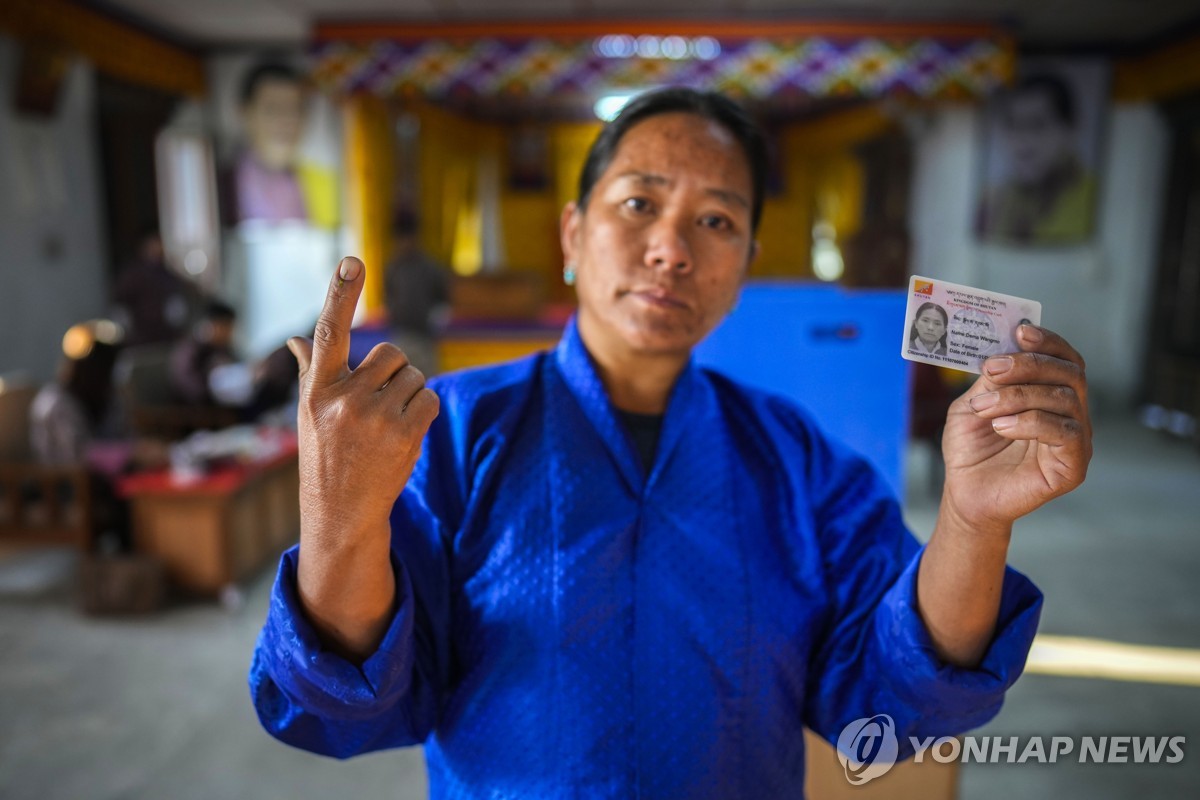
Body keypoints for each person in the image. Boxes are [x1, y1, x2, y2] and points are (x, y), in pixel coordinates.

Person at [249, 89, 1092, 797]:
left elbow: (892, 696)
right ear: (573, 235)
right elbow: (346, 704)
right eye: (639, 203)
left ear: (746, 262)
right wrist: (337, 520)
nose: (671, 250)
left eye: (717, 220)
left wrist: (974, 521)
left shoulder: (795, 457)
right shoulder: (453, 430)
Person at [977, 73, 1097, 245]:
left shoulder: (1094, 197)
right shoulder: (994, 201)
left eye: (1037, 125)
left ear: (1070, 129)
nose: (1022, 142)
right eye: (1014, 125)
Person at [383, 209, 450, 374]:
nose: (405, 243)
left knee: (428, 383)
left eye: (408, 238)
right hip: (401, 335)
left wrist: (435, 317)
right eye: (401, 239)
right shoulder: (393, 267)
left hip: (424, 337)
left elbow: (442, 298)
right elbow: (388, 296)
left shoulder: (429, 267)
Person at [111, 229, 191, 347]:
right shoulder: (132, 276)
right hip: (139, 338)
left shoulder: (167, 275)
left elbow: (176, 302)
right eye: (153, 245)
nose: (157, 248)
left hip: (165, 336)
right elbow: (121, 303)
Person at [168, 300, 239, 407]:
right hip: (194, 414)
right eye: (227, 328)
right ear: (213, 326)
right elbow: (193, 391)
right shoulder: (189, 350)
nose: (230, 334)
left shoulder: (222, 349)